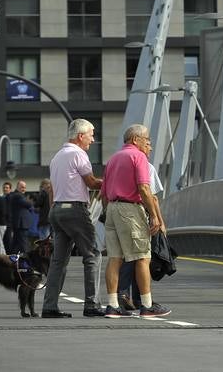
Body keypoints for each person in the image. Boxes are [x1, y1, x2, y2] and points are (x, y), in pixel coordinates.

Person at [100, 125, 170, 318]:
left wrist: (109, 212)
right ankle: (147, 305)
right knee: (142, 257)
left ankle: (112, 305)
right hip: (130, 209)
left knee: (115, 258)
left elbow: (103, 193)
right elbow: (144, 189)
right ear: (135, 139)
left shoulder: (113, 158)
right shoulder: (138, 157)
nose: (148, 143)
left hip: (112, 209)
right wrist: (154, 215)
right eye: (146, 138)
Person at [41, 119, 107, 319]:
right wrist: (112, 182)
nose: (93, 139)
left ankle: (49, 306)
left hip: (57, 210)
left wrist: (54, 208)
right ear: (80, 136)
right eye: (91, 135)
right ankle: (92, 305)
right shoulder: (79, 154)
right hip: (74, 209)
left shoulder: (57, 157)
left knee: (58, 261)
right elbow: (92, 182)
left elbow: (52, 188)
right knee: (93, 254)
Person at [8, 180, 34, 253]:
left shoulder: (18, 195)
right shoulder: (17, 195)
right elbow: (29, 204)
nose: (24, 189)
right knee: (23, 244)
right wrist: (30, 201)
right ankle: (26, 261)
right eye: (22, 187)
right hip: (21, 224)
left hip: (20, 224)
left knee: (15, 244)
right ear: (17, 187)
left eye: (25, 187)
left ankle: (11, 259)